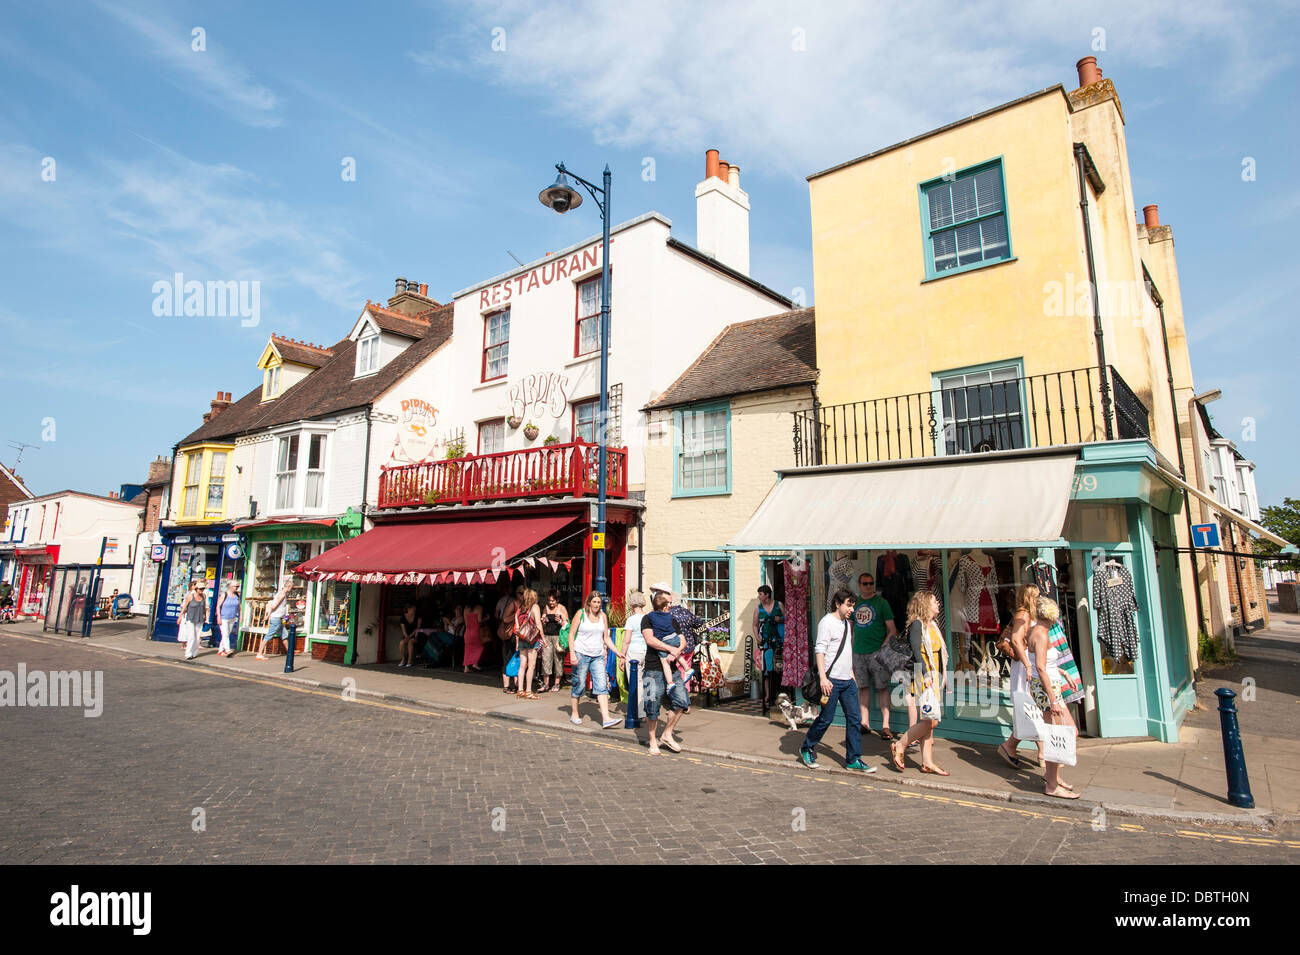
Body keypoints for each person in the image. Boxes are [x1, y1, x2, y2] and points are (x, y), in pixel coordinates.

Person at [798, 589, 877, 773]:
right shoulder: (827, 622)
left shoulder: (848, 625)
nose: (851, 609)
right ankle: (807, 747)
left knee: (855, 719)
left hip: (847, 680)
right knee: (826, 719)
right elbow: (820, 650)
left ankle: (853, 759)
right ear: (837, 604)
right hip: (831, 681)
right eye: (848, 604)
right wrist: (824, 678)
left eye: (853, 605)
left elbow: (845, 651)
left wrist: (852, 675)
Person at [889, 592, 950, 775]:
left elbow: (939, 653)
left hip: (933, 676)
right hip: (923, 677)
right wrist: (925, 674)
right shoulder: (917, 625)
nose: (938, 603)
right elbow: (916, 651)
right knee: (931, 720)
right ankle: (900, 744)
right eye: (933, 600)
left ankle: (927, 762)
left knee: (928, 719)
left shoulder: (933, 625)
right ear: (925, 604)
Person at [1026, 596, 1079, 799]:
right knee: (1059, 735)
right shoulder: (1041, 634)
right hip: (1048, 691)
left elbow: (1044, 663)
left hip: (1050, 688)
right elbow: (1040, 666)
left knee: (1062, 733)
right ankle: (1051, 784)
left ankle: (1052, 777)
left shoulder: (1037, 631)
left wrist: (1064, 674)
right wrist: (1053, 699)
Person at [640, 585, 691, 754]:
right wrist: (671, 649)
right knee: (652, 706)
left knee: (682, 701)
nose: (670, 605)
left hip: (673, 669)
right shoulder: (647, 619)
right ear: (660, 603)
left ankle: (667, 734)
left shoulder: (672, 620)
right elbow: (650, 640)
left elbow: (682, 640)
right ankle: (653, 740)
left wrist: (678, 649)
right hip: (653, 669)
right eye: (668, 603)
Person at [997, 584, 1043, 769]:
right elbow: (1016, 640)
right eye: (1037, 596)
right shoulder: (1022, 615)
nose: (1039, 599)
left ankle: (1040, 751)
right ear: (1030, 597)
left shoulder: (1031, 615)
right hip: (1025, 666)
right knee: (1031, 708)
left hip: (1031, 664)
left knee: (1035, 709)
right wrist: (1027, 663)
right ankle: (1012, 745)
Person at [850, 573, 898, 739]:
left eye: (871, 583)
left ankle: (886, 726)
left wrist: (883, 646)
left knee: (882, 687)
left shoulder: (881, 603)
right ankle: (865, 722)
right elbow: (849, 628)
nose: (868, 586)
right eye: (865, 584)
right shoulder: (854, 603)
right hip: (858, 651)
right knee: (862, 687)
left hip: (876, 652)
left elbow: (892, 629)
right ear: (859, 584)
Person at [569, 591, 624, 727]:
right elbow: (571, 635)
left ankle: (606, 718)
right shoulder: (581, 614)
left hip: (598, 655)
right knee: (579, 684)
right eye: (594, 602)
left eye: (599, 602)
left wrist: (617, 652)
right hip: (581, 653)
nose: (596, 604)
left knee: (601, 685)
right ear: (589, 602)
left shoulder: (603, 616)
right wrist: (572, 653)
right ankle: (574, 713)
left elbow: (606, 638)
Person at [753, 585, 787, 707]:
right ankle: (768, 695)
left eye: (760, 594)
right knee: (767, 670)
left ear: (767, 595)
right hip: (766, 643)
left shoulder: (779, 605)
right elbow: (755, 625)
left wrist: (781, 619)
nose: (759, 596)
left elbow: (789, 619)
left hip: (779, 642)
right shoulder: (758, 608)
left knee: (779, 668)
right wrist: (758, 638)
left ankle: (780, 694)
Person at [514, 588, 544, 700]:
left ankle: (520, 690)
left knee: (522, 666)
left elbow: (517, 628)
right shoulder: (535, 607)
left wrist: (517, 643)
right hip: (532, 639)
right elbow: (538, 624)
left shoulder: (519, 609)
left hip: (522, 639)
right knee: (531, 666)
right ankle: (528, 691)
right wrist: (543, 639)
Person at [539, 590, 570, 692]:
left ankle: (557, 683)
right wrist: (543, 621)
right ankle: (546, 684)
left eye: (553, 601)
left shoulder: (562, 608)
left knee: (558, 659)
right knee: (546, 659)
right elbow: (542, 622)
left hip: (558, 637)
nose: (551, 603)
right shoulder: (546, 608)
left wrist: (560, 621)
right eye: (549, 601)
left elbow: (567, 625)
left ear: (557, 600)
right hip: (547, 636)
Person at [622, 591, 648, 705]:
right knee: (645, 681)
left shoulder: (631, 620)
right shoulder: (648, 618)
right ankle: (645, 708)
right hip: (646, 651)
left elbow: (626, 641)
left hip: (633, 652)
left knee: (634, 682)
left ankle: (638, 710)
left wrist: (622, 656)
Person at [257, 579, 292, 660]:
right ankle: (259, 653)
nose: (291, 589)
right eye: (291, 587)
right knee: (269, 635)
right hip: (276, 618)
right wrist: (269, 614)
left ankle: (290, 652)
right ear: (289, 587)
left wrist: (268, 615)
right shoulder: (282, 595)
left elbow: (272, 604)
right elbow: (273, 606)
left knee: (284, 635)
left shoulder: (280, 593)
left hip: (279, 618)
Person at [496, 584, 520, 694]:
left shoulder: (524, 605)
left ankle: (516, 685)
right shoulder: (513, 604)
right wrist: (516, 615)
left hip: (520, 635)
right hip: (511, 635)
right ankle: (506, 686)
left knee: (517, 660)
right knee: (509, 659)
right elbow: (504, 618)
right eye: (522, 593)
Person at [177, 580, 208, 661]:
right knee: (191, 637)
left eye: (203, 589)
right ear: (196, 589)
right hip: (190, 619)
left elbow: (204, 607)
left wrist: (206, 616)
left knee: (197, 637)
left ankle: (194, 653)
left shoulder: (204, 596)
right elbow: (184, 607)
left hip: (200, 619)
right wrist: (180, 617)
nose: (202, 590)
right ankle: (188, 653)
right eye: (200, 589)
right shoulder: (190, 596)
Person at [216, 580, 240, 657]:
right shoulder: (224, 595)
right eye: (236, 586)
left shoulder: (237, 595)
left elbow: (239, 607)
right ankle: (227, 650)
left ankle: (220, 650)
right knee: (225, 634)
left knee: (227, 633)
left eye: (238, 586)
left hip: (232, 617)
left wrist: (241, 616)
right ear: (230, 586)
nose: (237, 588)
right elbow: (218, 606)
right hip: (224, 617)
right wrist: (219, 617)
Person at [395, 603, 422, 668]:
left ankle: (409, 661)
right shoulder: (403, 617)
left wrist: (410, 636)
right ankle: (403, 659)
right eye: (413, 609)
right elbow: (403, 629)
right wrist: (406, 636)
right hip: (407, 635)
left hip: (416, 634)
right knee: (401, 643)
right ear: (408, 609)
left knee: (410, 642)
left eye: (415, 609)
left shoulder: (418, 616)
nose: (414, 610)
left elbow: (418, 627)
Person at [462, 602, 485, 672]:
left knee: (467, 649)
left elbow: (466, 623)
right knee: (480, 647)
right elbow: (479, 620)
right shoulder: (479, 608)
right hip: (475, 631)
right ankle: (475, 663)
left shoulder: (466, 609)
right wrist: (486, 619)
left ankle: (466, 667)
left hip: (468, 631)